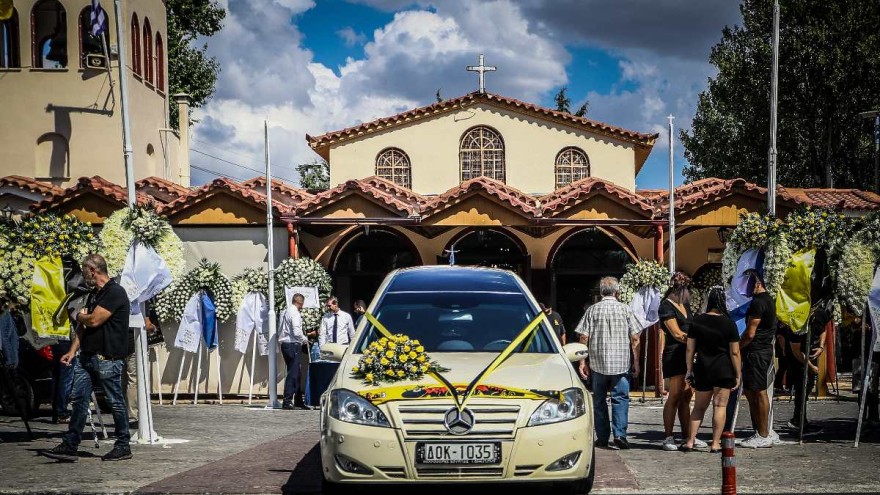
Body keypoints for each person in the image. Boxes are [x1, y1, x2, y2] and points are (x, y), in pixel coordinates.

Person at [42, 254, 132, 462]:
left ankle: (123, 445)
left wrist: (77, 315)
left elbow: (92, 321)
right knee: (80, 400)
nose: (83, 276)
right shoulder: (94, 295)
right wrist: (72, 351)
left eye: (84, 271)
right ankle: (70, 443)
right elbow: (83, 329)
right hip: (87, 357)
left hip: (107, 358)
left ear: (93, 270)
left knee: (115, 401)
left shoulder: (115, 293)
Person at [575, 276, 642, 450]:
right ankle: (620, 434)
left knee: (599, 400)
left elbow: (583, 336)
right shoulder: (625, 310)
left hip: (598, 363)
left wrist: (582, 361)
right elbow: (635, 337)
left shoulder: (592, 310)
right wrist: (636, 362)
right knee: (620, 399)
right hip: (621, 363)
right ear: (617, 292)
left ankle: (603, 437)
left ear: (601, 291)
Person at [680, 286, 741, 453]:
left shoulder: (697, 321)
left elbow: (690, 349)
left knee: (699, 407)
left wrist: (689, 369)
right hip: (723, 369)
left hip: (703, 368)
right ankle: (715, 443)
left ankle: (690, 441)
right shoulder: (729, 323)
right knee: (720, 406)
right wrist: (738, 373)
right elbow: (734, 352)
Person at [658, 272, 704, 451]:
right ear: (679, 290)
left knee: (686, 395)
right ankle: (668, 436)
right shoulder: (666, 307)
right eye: (687, 291)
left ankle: (688, 435)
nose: (689, 295)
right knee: (675, 395)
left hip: (688, 354)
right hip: (674, 354)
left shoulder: (684, 304)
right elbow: (677, 333)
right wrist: (697, 340)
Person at [739, 269, 778, 448]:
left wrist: (738, 346)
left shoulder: (759, 302)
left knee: (759, 391)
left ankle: (763, 434)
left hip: (756, 351)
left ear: (758, 283)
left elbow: (750, 332)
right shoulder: (769, 300)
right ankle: (760, 431)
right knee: (752, 391)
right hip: (761, 350)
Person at [786, 306, 830, 434]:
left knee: (808, 386)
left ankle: (800, 419)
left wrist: (821, 346)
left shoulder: (821, 312)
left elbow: (824, 329)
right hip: (798, 357)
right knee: (802, 388)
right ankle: (798, 420)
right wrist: (811, 366)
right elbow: (796, 350)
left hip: (812, 352)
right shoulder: (797, 318)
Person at [279, 293, 308, 410]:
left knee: (296, 372)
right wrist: (304, 339)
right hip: (292, 344)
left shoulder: (284, 311)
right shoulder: (295, 313)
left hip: (285, 344)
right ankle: (287, 400)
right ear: (300, 303)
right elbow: (296, 331)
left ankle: (298, 399)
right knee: (293, 373)